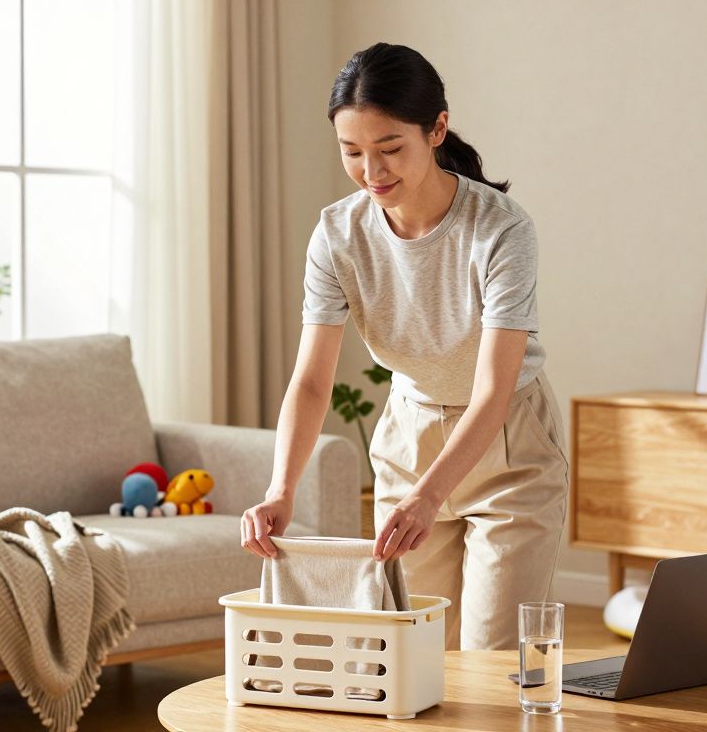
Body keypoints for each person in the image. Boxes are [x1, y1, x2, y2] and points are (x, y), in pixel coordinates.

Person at [239, 42, 569, 651]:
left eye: (390, 148)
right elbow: (312, 380)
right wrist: (282, 488)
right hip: (408, 437)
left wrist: (430, 497)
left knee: (493, 653)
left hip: (508, 440)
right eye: (352, 152)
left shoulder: (501, 230)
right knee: (411, 652)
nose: (373, 171)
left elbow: (493, 390)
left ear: (437, 128)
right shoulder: (337, 235)